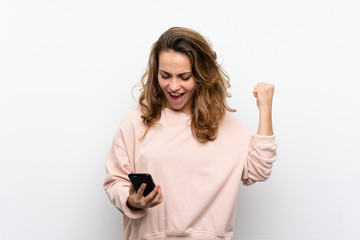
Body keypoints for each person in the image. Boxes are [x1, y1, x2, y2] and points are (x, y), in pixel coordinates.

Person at [104, 27, 277, 240]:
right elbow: (115, 180)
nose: (174, 86)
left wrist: (265, 109)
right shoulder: (136, 122)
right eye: (165, 75)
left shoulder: (221, 122)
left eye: (184, 77)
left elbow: (258, 170)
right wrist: (132, 200)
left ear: (201, 76)